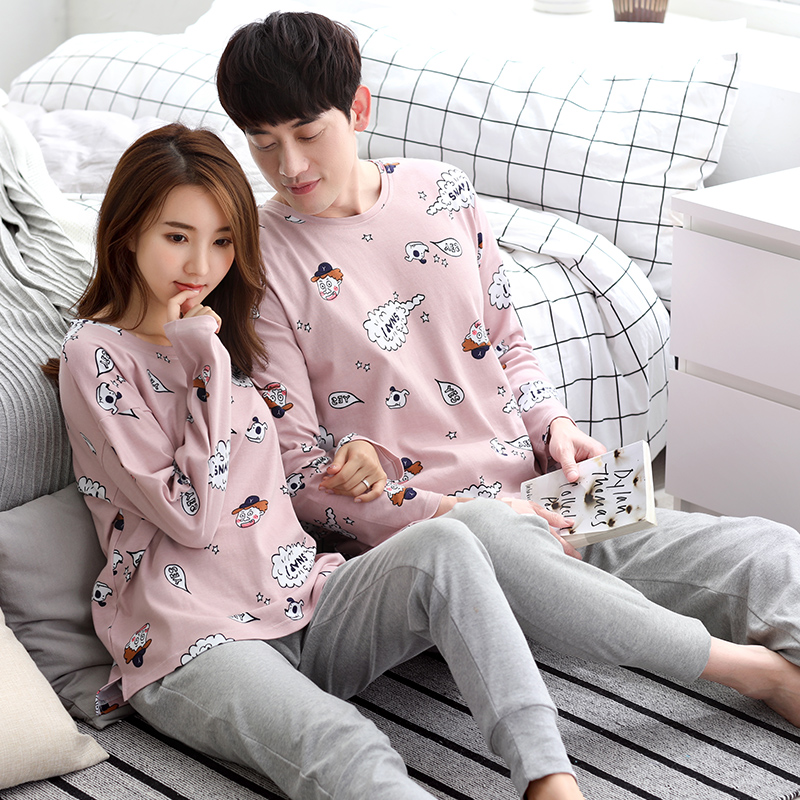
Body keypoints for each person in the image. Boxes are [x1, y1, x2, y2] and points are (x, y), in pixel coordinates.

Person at [214, 10, 800, 730]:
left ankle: (602, 602)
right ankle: (752, 673)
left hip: (543, 496)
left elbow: (502, 340)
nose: (290, 167)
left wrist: (553, 425)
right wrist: (468, 514)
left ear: (358, 108)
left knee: (771, 550)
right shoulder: (257, 261)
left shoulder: (443, 192)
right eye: (263, 143)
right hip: (438, 541)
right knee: (500, 538)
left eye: (308, 134)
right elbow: (302, 473)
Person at [53, 122, 610, 800]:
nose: (201, 264)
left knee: (450, 543)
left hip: (304, 598)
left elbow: (281, 466)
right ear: (126, 233)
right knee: (345, 745)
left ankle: (551, 782)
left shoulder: (229, 330)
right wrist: (203, 360)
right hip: (192, 640)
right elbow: (191, 515)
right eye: (177, 237)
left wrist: (358, 453)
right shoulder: (98, 354)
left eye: (222, 240)